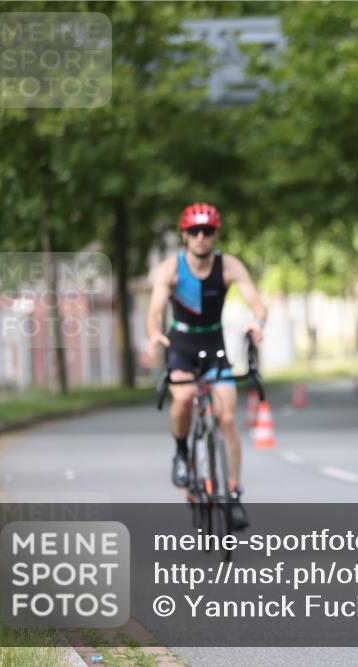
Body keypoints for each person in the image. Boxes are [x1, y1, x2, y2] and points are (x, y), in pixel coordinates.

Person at [144, 203, 267, 530]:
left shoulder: (229, 265)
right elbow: (155, 310)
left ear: (215, 234)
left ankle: (234, 494)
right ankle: (182, 453)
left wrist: (257, 323)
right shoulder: (171, 268)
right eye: (195, 232)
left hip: (214, 346)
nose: (201, 237)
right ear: (184, 235)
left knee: (227, 417)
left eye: (207, 231)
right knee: (183, 399)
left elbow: (256, 302)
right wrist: (155, 334)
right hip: (181, 345)